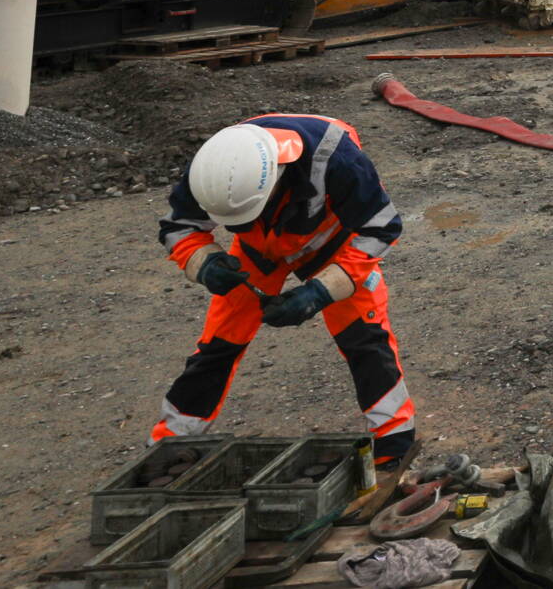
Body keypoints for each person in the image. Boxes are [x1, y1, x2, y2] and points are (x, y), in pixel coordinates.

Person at [153, 115, 418, 469]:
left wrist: (323, 290)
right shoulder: (215, 166)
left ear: (276, 178)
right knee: (220, 343)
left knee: (364, 338)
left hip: (333, 245)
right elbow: (178, 227)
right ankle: (170, 444)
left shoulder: (338, 159)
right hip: (257, 250)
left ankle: (393, 447)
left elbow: (381, 227)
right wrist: (204, 263)